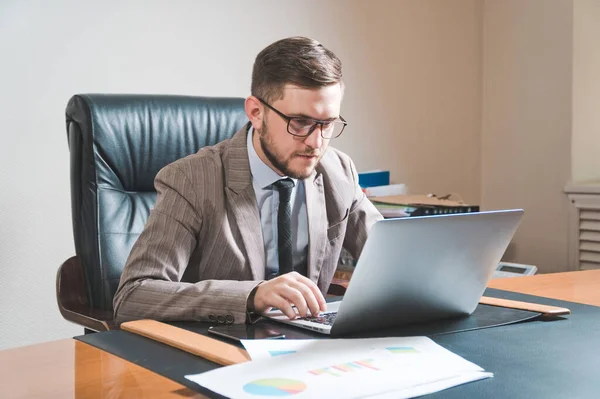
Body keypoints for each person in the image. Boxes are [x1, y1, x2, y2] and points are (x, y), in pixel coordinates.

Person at [113, 36, 382, 325]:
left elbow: (392, 256)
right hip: (218, 348)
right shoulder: (192, 180)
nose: (317, 142)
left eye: (327, 124)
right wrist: (252, 295)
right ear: (256, 112)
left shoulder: (338, 171)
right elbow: (133, 296)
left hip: (310, 348)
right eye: (300, 123)